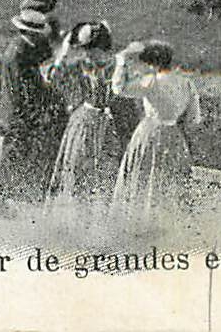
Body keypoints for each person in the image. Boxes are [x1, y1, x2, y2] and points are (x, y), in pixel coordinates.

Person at [110, 40, 200, 229]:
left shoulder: (151, 81)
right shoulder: (187, 83)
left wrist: (121, 62)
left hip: (149, 133)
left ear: (153, 63)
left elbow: (118, 88)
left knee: (143, 175)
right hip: (174, 136)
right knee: (168, 179)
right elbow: (193, 118)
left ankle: (138, 223)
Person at [0, 4, 66, 212]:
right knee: (13, 154)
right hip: (18, 111)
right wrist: (37, 106)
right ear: (32, 32)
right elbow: (22, 89)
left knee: (19, 153)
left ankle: (5, 197)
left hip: (19, 110)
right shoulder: (19, 54)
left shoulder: (22, 47)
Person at [43, 21, 121, 215]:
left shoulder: (113, 64)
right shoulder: (88, 64)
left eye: (92, 49)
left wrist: (64, 52)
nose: (89, 53)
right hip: (86, 120)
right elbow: (52, 76)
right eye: (87, 49)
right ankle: (74, 215)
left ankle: (93, 218)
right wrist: (64, 52)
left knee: (102, 172)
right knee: (78, 169)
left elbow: (53, 75)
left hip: (103, 122)